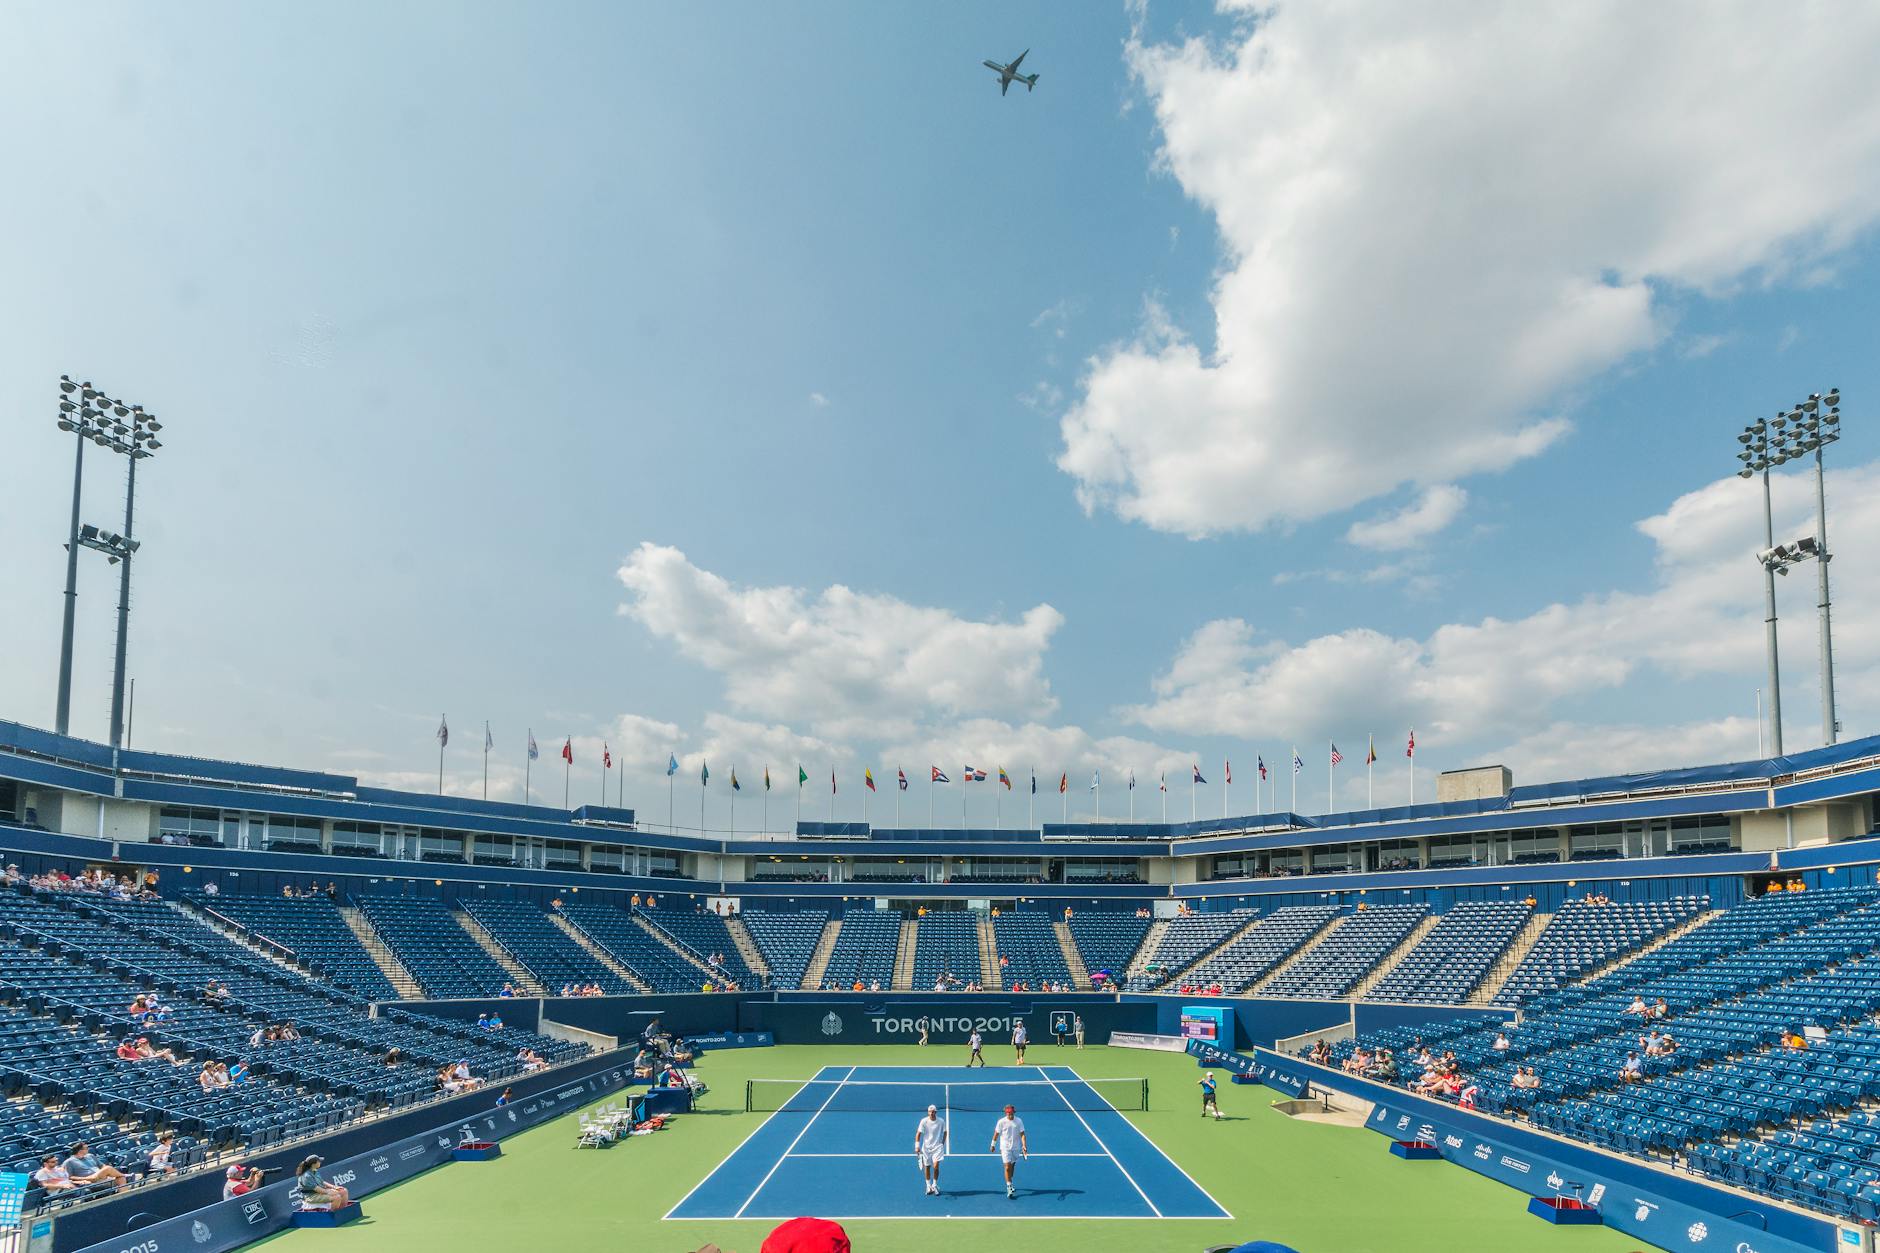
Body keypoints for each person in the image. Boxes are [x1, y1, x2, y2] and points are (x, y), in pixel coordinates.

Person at [990, 1104, 1027, 1199]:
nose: (1010, 1115)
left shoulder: (1019, 1121)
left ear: (1014, 1112)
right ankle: (1009, 1186)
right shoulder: (1001, 1122)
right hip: (1005, 1148)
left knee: (1012, 1166)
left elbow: (1022, 1134)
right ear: (1006, 1113)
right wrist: (993, 1145)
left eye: (1011, 1113)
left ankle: (1010, 1181)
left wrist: (1024, 1145)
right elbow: (996, 1134)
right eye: (1008, 1113)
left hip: (1016, 1148)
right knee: (1007, 1167)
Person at [63, 1143, 129, 1191]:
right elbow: (69, 1177)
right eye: (86, 1148)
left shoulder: (90, 1156)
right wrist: (84, 1178)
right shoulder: (69, 1162)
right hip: (88, 1179)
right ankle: (126, 1175)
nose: (88, 1149)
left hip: (100, 1176)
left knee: (121, 1178)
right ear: (80, 1150)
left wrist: (105, 1173)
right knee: (108, 1168)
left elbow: (102, 1166)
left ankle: (124, 1197)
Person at [914, 1102, 947, 1196]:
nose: (932, 1113)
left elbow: (945, 1132)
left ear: (935, 1112)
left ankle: (935, 1184)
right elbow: (918, 1134)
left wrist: (942, 1144)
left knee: (936, 1166)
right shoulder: (924, 1121)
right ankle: (928, 1185)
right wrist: (917, 1146)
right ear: (928, 1112)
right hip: (926, 1148)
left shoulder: (941, 1121)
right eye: (930, 1112)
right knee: (927, 1167)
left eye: (933, 1112)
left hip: (937, 1147)